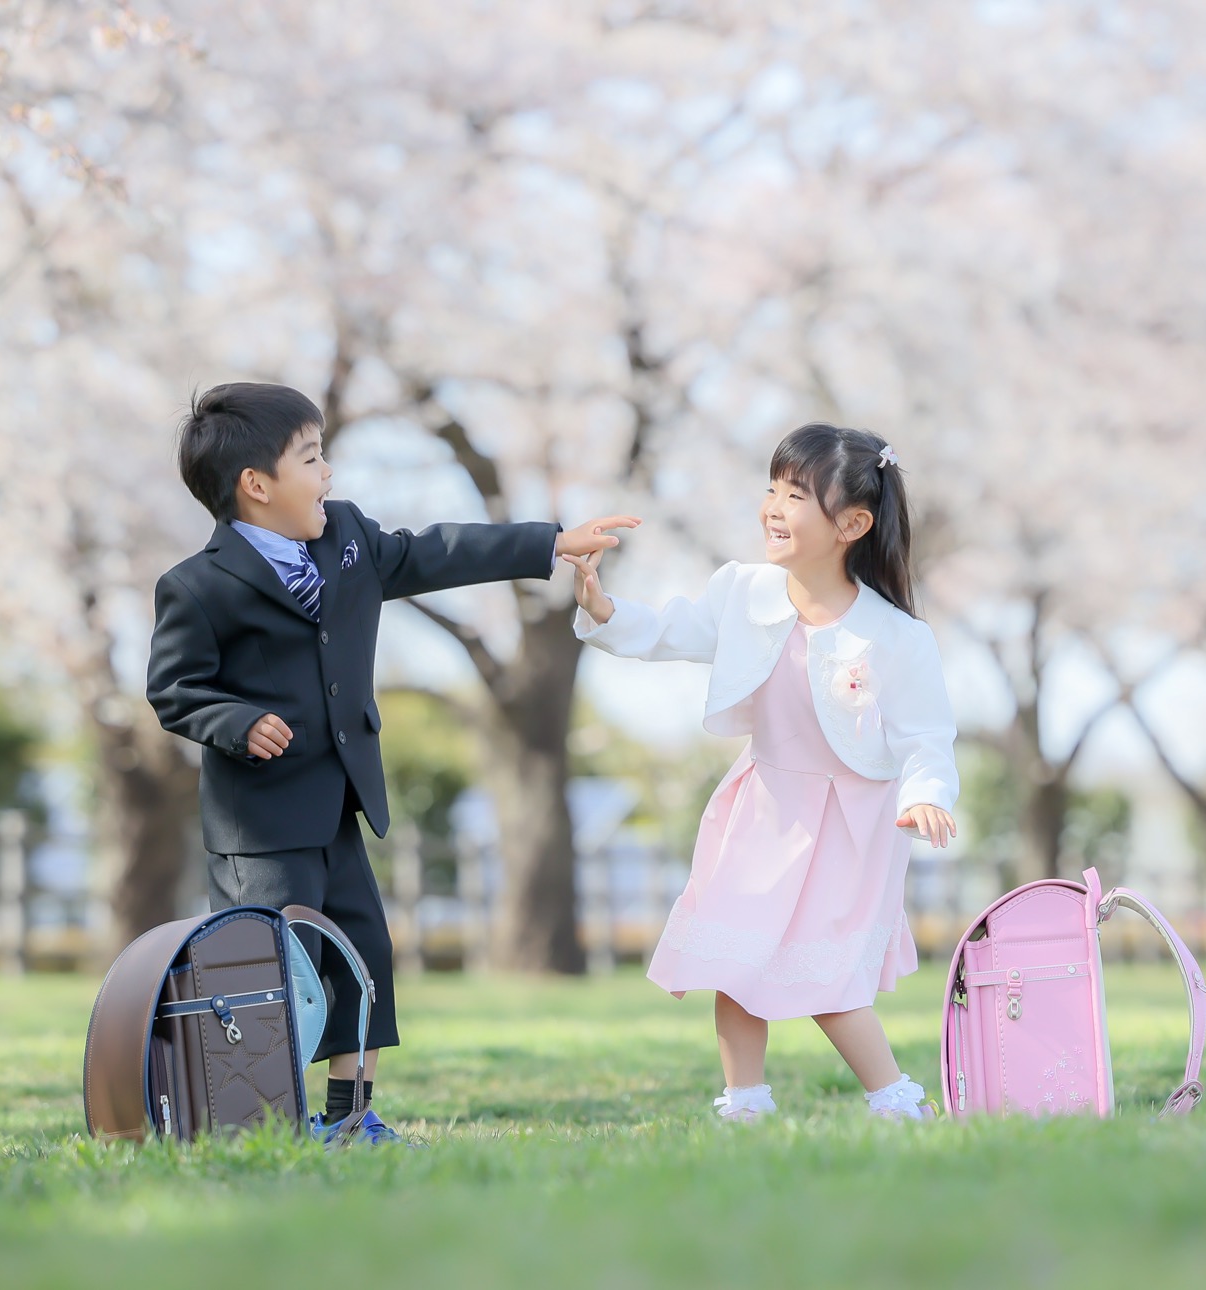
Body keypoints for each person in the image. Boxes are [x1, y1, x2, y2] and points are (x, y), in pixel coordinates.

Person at [147, 381, 636, 1144]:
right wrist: (237, 723)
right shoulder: (197, 586)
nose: (329, 473)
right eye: (312, 458)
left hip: (341, 801)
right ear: (256, 485)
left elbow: (434, 551)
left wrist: (549, 543)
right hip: (261, 825)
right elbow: (174, 690)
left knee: (363, 961)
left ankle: (349, 1118)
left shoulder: (346, 537)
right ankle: (255, 1118)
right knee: (274, 972)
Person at [566, 423, 959, 1122]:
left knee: (830, 973)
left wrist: (927, 795)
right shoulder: (744, 592)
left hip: (850, 822)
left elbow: (927, 737)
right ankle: (744, 1103)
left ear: (852, 524)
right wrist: (604, 610)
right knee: (734, 956)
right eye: (772, 488)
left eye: (796, 494)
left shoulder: (896, 637)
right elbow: (670, 630)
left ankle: (896, 1101)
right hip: (766, 806)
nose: (774, 507)